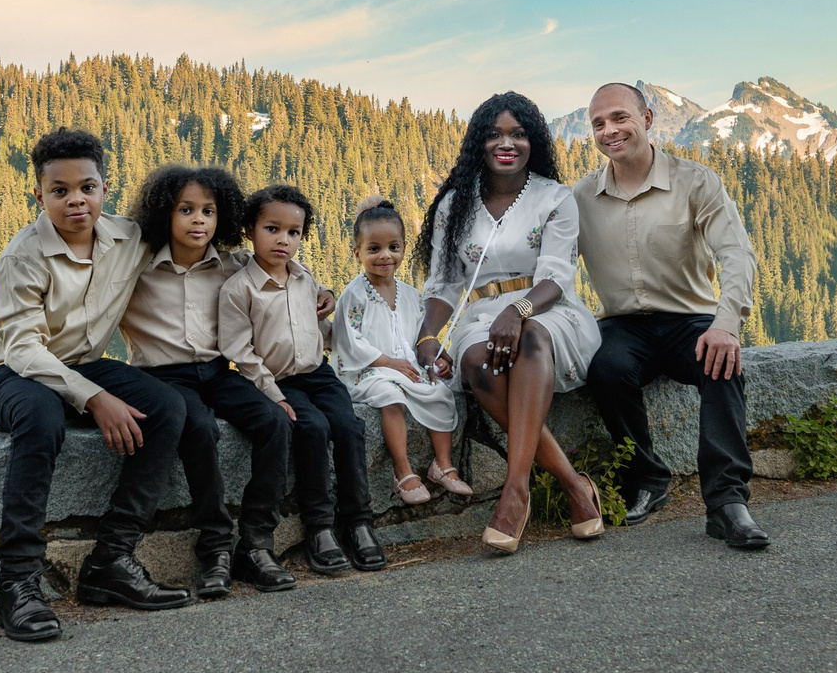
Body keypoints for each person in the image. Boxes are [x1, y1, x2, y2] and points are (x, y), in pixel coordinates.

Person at [0, 128, 192, 643]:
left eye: (87, 187)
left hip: (81, 362)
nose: (76, 200)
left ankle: (112, 562)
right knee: (42, 417)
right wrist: (95, 399)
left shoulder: (129, 238)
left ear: (104, 188)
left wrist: (303, 282)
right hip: (9, 372)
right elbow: (24, 350)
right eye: (60, 190)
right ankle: (19, 585)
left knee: (166, 407)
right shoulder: (22, 256)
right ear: (40, 195)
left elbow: (202, 244)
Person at [572, 82, 767, 551]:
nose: (609, 130)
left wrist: (726, 324)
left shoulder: (696, 181)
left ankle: (726, 504)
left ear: (648, 119)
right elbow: (547, 267)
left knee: (723, 366)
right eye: (598, 124)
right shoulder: (579, 198)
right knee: (605, 367)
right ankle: (648, 479)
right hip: (622, 325)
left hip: (691, 320)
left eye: (620, 118)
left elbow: (737, 255)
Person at [412, 92, 604, 556]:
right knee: (477, 363)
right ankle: (574, 485)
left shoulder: (554, 197)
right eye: (495, 133)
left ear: (533, 141)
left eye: (518, 134)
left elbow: (556, 275)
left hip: (547, 312)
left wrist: (517, 313)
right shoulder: (455, 204)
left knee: (532, 338)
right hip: (480, 317)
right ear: (479, 141)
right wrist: (427, 335)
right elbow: (444, 283)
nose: (507, 143)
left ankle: (516, 492)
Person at [120, 163, 298, 601]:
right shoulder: (135, 268)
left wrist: (321, 293)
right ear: (165, 212)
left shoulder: (231, 265)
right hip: (163, 379)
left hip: (218, 373)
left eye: (209, 211)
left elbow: (279, 264)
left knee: (274, 422)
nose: (198, 220)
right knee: (197, 428)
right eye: (186, 209)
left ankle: (256, 545)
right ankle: (215, 547)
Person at [221, 184, 384, 576]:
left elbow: (318, 326)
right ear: (250, 230)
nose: (283, 240)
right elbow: (241, 353)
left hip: (318, 374)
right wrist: (273, 395)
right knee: (310, 428)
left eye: (293, 233)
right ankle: (320, 527)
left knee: (348, 427)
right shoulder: (239, 289)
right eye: (272, 229)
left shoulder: (304, 277)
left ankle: (359, 521)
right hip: (280, 381)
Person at [329, 197, 474, 506]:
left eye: (393, 247)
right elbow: (349, 340)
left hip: (403, 366)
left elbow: (423, 334)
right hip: (367, 370)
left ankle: (443, 464)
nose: (385, 256)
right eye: (374, 249)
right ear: (358, 253)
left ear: (404, 248)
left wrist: (438, 357)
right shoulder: (355, 295)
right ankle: (403, 470)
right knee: (390, 395)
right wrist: (388, 362)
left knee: (440, 391)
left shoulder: (411, 295)